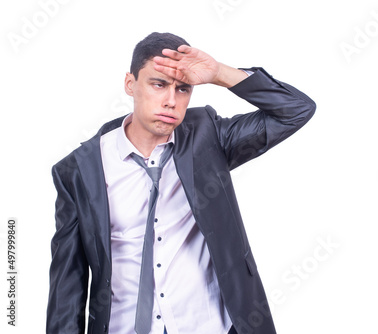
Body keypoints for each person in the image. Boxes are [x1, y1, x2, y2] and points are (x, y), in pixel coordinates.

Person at [46, 32, 315, 334]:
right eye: (158, 84)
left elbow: (295, 110)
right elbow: (67, 285)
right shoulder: (79, 169)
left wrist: (220, 74)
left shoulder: (207, 137)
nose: (171, 101)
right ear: (130, 84)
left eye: (183, 89)